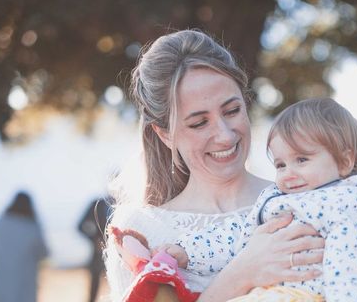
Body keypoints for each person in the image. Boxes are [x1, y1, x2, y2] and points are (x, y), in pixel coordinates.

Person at [105, 30, 325, 302]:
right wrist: (241, 275)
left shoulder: (305, 201)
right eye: (199, 123)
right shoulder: (140, 232)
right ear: (165, 134)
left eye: (232, 110)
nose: (225, 135)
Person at [175, 98, 357, 301]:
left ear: (345, 161)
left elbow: (351, 264)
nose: (288, 173)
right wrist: (188, 252)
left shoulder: (352, 205)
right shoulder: (281, 201)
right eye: (281, 164)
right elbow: (237, 235)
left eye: (302, 160)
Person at [0, 191, 49, 302]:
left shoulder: (0, 223)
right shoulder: (32, 227)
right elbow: (44, 252)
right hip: (25, 282)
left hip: (0, 280)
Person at [78, 196, 113, 302]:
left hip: (121, 256)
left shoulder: (127, 203)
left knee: (118, 288)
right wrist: (94, 240)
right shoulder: (97, 204)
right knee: (93, 290)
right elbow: (80, 226)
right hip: (98, 255)